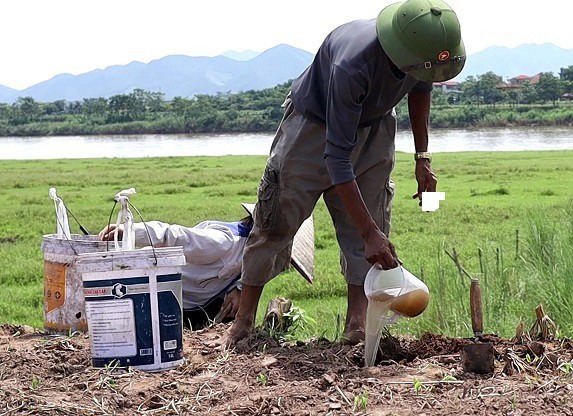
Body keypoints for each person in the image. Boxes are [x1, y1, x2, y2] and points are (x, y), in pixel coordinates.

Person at [219, 0, 465, 348]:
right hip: (313, 127)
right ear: (399, 50)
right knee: (276, 222)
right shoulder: (353, 64)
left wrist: (422, 157)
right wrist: (369, 234)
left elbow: (421, 89)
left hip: (375, 124)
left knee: (371, 223)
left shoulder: (419, 54)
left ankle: (357, 326)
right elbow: (337, 159)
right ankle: (243, 323)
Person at [98, 203, 314, 330]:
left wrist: (238, 289)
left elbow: (249, 276)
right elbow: (176, 235)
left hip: (194, 307)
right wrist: (131, 231)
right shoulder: (223, 242)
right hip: (155, 299)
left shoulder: (258, 257)